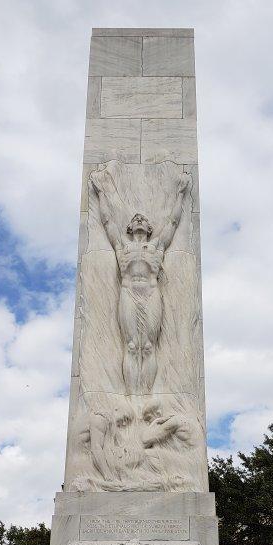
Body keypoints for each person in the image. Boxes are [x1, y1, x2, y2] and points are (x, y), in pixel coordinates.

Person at [90, 166, 191, 394]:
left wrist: (180, 194)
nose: (139, 220)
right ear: (130, 227)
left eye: (142, 220)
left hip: (151, 292)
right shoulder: (122, 246)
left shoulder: (156, 246)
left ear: (148, 228)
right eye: (135, 219)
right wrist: (101, 193)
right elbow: (107, 222)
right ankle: (131, 395)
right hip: (128, 292)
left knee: (147, 346)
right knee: (132, 345)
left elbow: (173, 223)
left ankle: (145, 395)